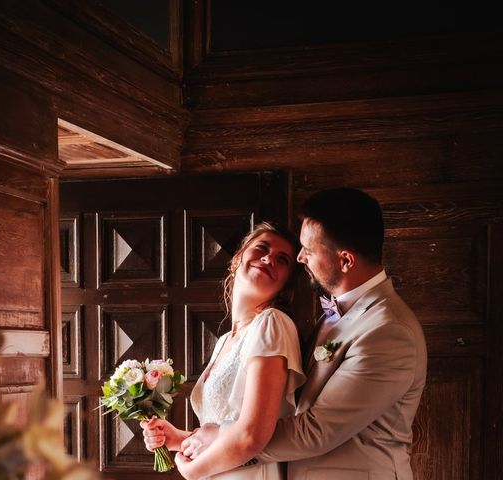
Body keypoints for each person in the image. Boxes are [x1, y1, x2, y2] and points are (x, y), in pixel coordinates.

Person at [172, 188, 428, 480]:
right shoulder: (337, 316)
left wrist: (221, 439)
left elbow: (315, 432)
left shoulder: (388, 331)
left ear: (345, 261)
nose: (301, 258)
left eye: (308, 250)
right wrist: (199, 439)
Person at [141, 222, 306, 479]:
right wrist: (181, 439)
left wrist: (192, 471)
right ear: (236, 260)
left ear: (286, 284)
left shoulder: (271, 323)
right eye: (261, 248)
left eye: (282, 259)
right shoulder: (225, 340)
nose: (268, 258)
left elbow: (252, 435)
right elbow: (222, 427)